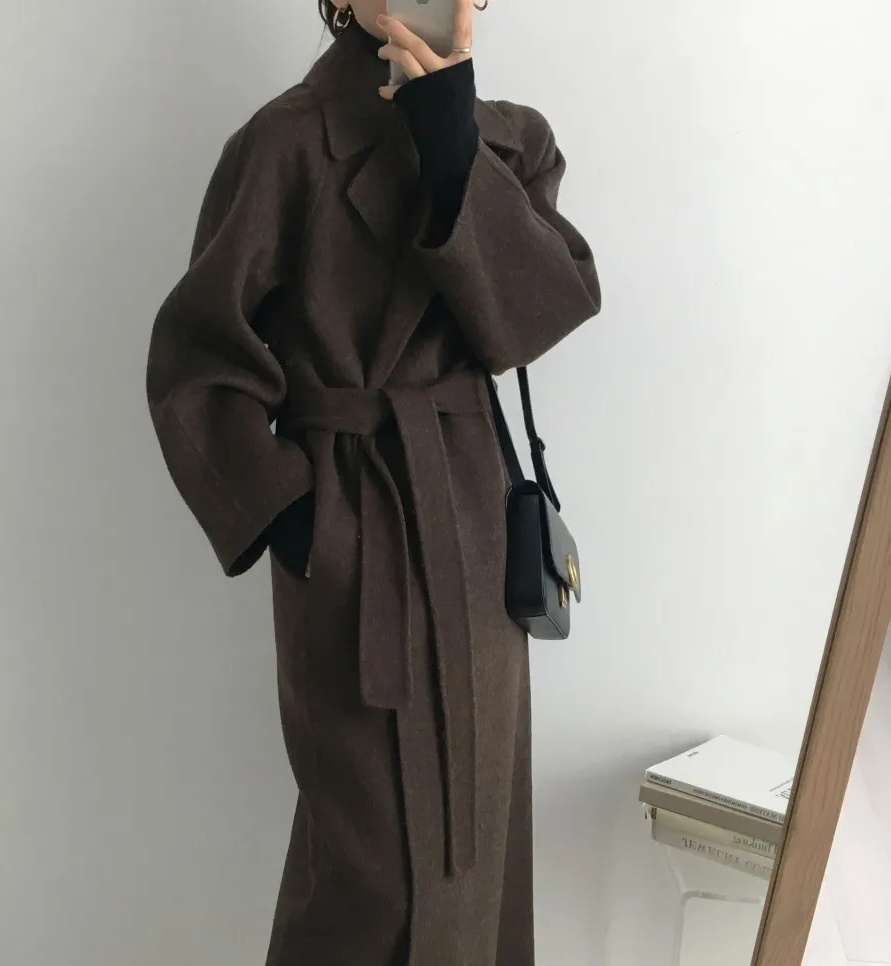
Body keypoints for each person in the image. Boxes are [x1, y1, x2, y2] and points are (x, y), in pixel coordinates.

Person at [146, 0, 600, 962]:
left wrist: (453, 146)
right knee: (371, 875)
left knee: (479, 851)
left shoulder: (513, 143)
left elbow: (541, 315)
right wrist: (301, 522)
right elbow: (197, 367)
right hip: (360, 534)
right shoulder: (282, 144)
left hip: (474, 529)